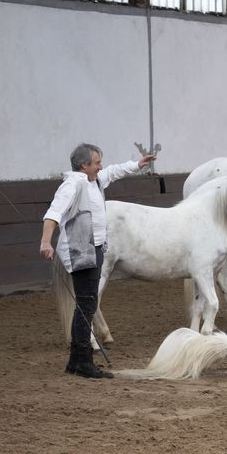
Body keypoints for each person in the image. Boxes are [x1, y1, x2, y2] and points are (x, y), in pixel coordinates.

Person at [39, 143, 156, 378]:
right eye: (97, 162)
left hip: (95, 247)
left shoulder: (94, 180)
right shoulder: (72, 185)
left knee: (86, 303)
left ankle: (76, 360)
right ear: (84, 165)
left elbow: (113, 171)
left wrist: (137, 164)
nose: (101, 166)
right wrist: (45, 241)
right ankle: (83, 361)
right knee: (87, 304)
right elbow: (53, 213)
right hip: (82, 250)